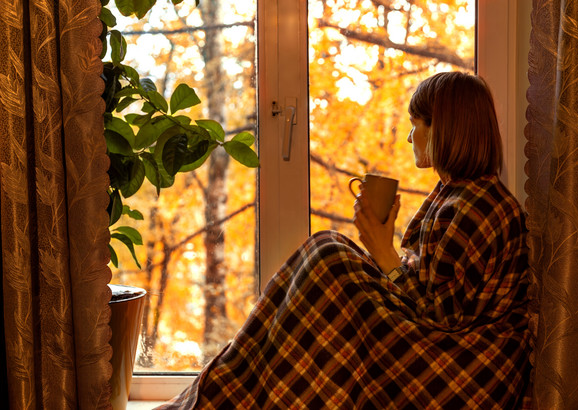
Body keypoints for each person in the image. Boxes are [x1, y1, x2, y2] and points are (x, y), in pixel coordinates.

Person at [158, 72, 532, 409]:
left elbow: (441, 316)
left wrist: (383, 250)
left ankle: (210, 400)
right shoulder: (460, 194)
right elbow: (428, 293)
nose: (408, 136)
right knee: (327, 251)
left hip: (468, 373)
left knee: (330, 260)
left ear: (442, 129)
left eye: (415, 124)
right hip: (450, 354)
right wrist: (380, 252)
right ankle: (214, 396)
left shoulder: (476, 206)